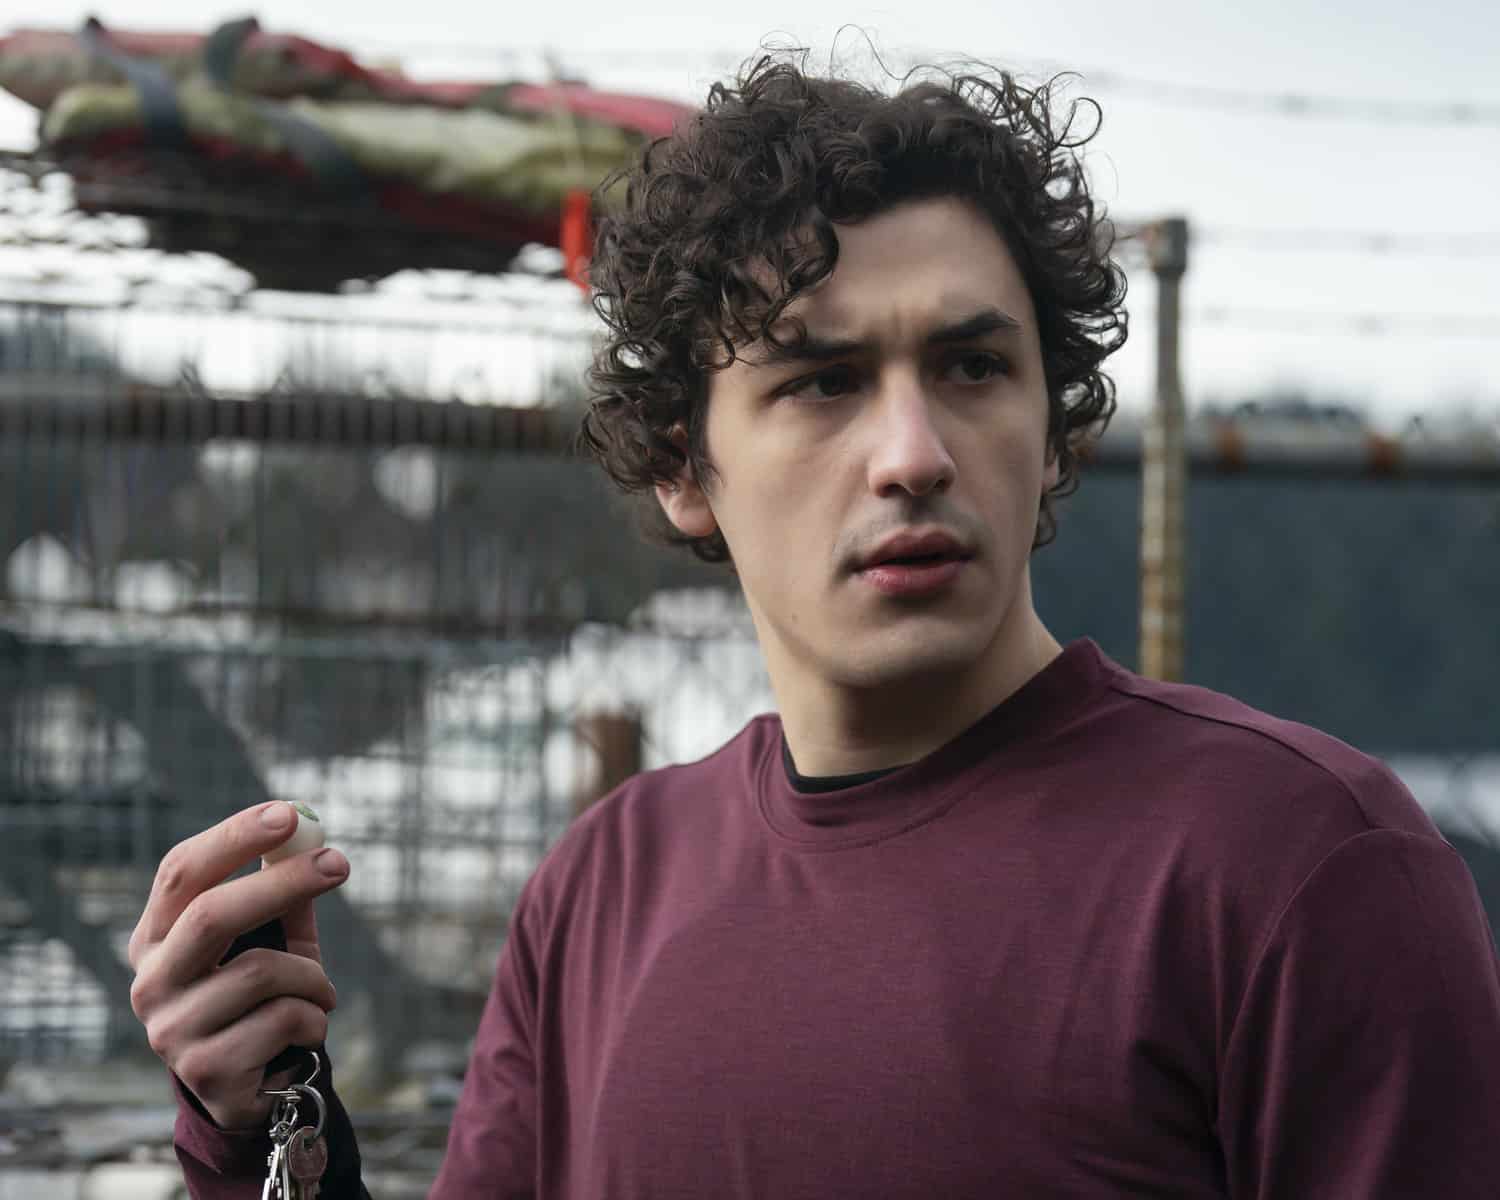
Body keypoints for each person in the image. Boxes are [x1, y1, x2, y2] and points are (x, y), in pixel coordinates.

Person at [128, 50, 1500, 1199]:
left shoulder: (1304, 871)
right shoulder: (604, 887)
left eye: (972, 365)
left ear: (1052, 422)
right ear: (683, 466)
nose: (914, 450)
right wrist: (257, 1123)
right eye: (823, 379)